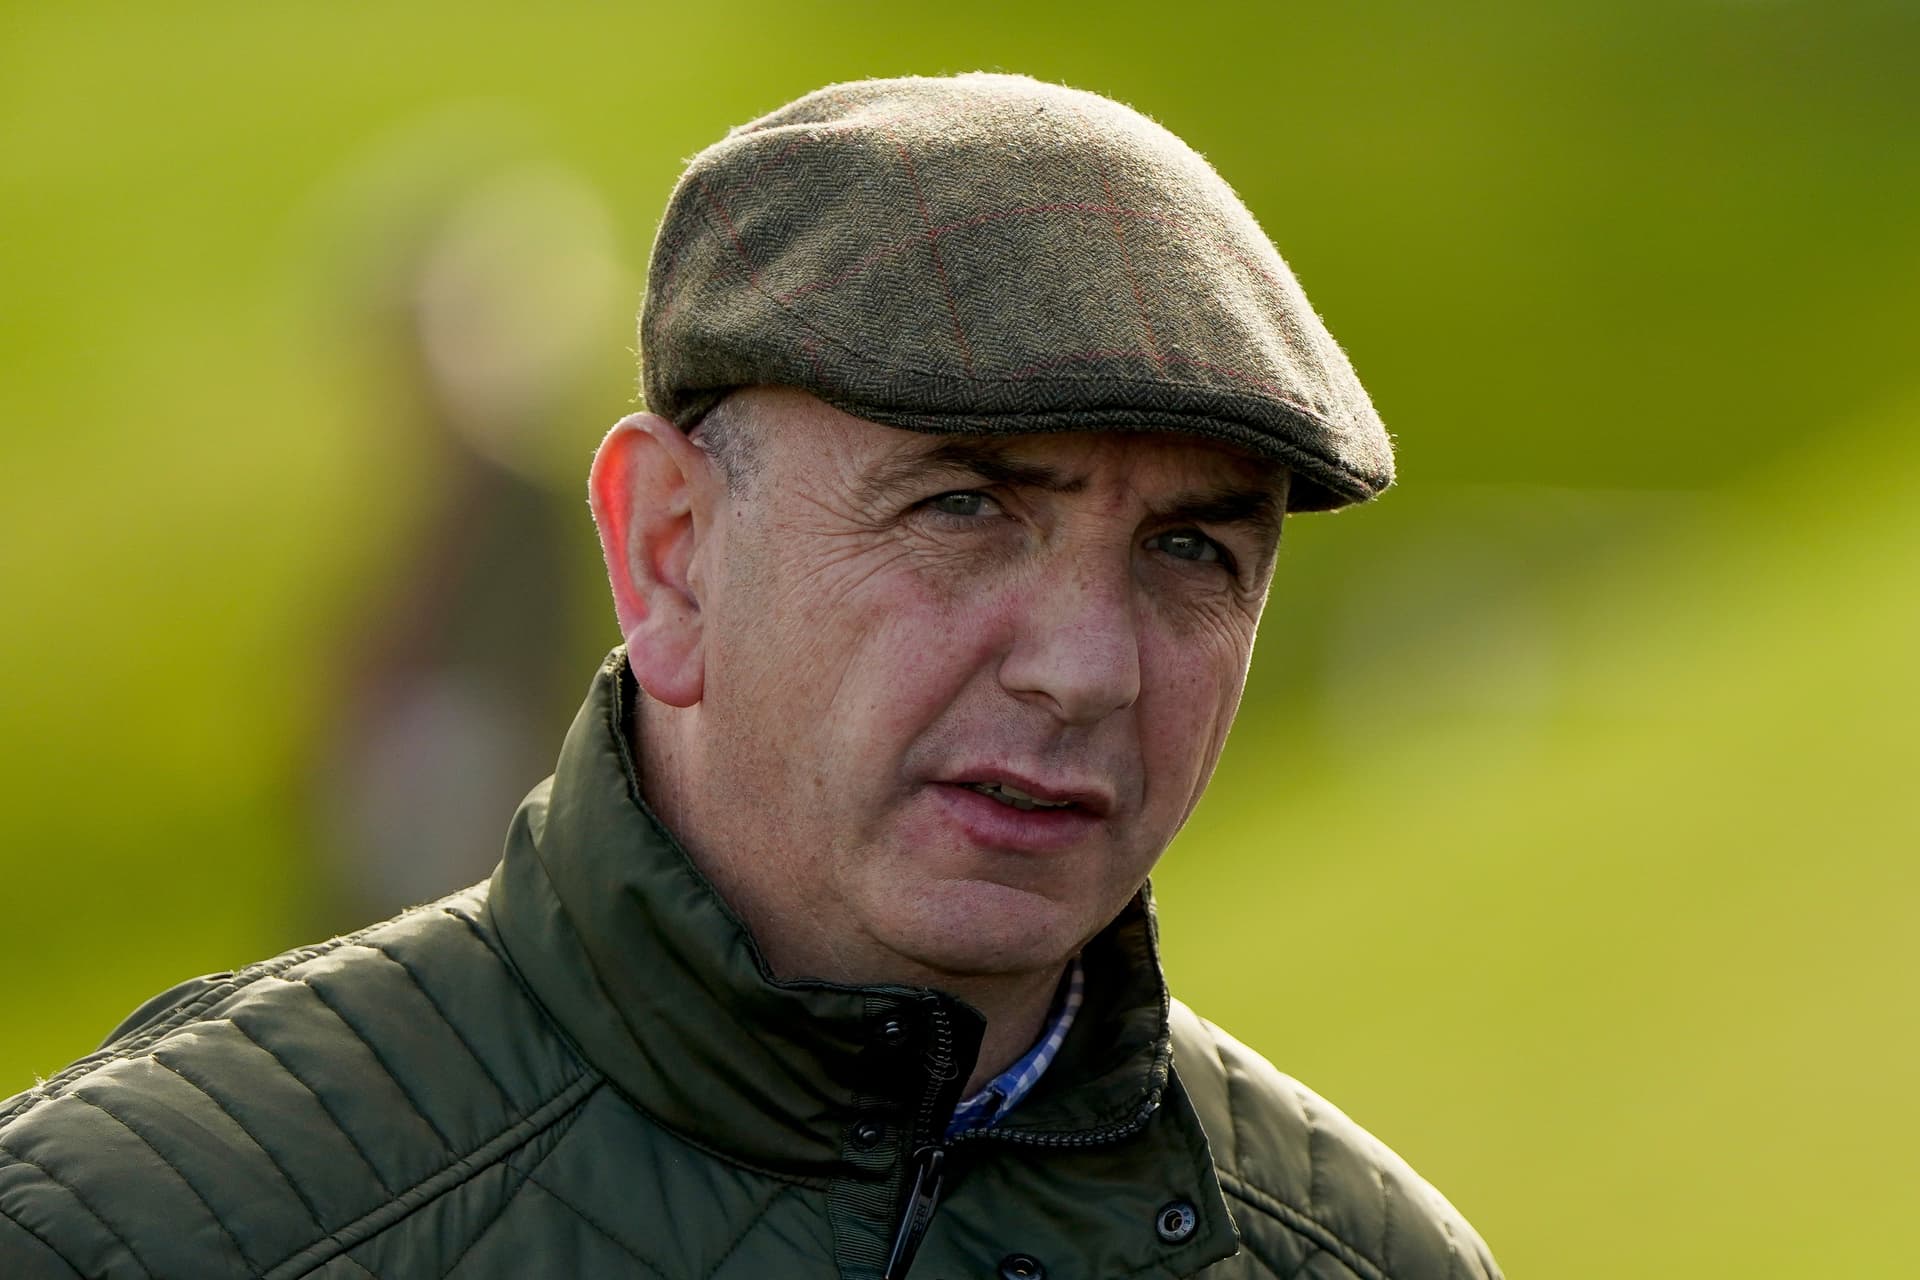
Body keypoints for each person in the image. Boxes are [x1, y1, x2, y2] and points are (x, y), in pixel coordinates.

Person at [0, 74, 1502, 1280]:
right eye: (965, 508)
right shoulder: (124, 1232)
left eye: (1191, 549)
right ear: (670, 551)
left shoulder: (1369, 1261)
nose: (1086, 669)